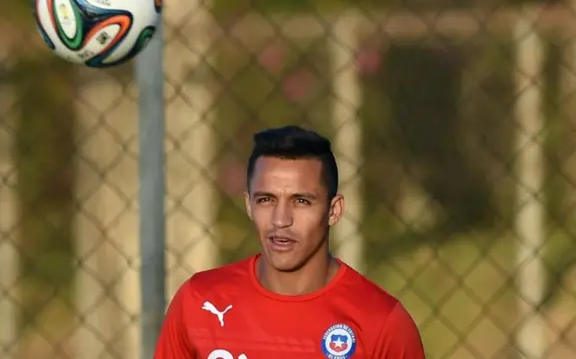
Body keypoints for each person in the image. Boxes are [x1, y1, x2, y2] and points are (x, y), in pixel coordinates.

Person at [154, 125, 426, 359]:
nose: (280, 219)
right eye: (266, 200)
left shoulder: (382, 324)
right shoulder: (197, 303)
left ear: (334, 210)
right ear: (249, 205)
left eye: (301, 201)